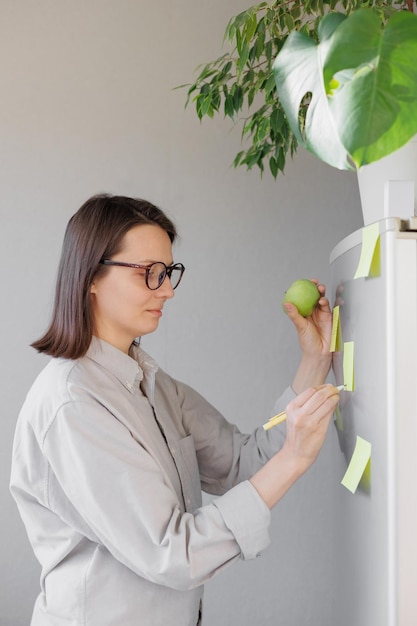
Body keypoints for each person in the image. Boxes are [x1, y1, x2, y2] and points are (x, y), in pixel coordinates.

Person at [10, 194, 340, 626]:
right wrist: (295, 460)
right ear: (91, 275)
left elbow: (243, 463)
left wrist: (314, 361)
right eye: (149, 273)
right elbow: (173, 553)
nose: (166, 289)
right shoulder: (73, 404)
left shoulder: (156, 387)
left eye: (168, 272)